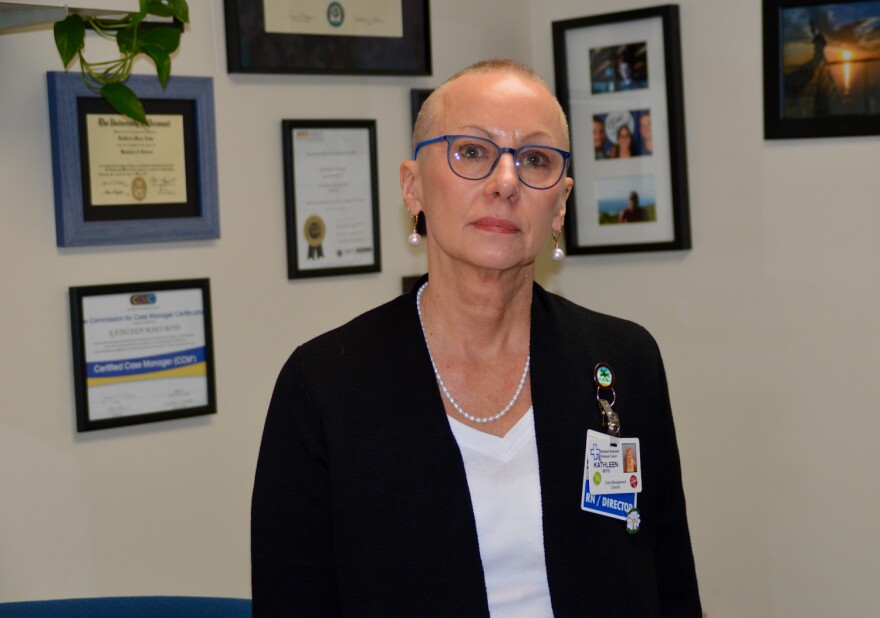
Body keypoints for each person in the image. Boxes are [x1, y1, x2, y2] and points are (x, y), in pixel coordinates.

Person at [251, 58, 701, 616]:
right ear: (412, 188)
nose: (506, 182)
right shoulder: (324, 385)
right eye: (472, 152)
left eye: (534, 160)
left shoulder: (623, 361)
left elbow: (671, 585)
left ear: (560, 204)